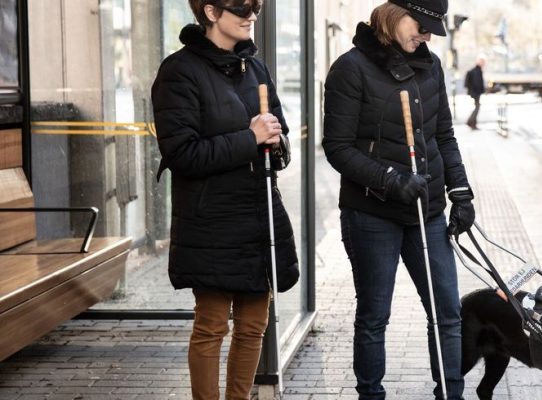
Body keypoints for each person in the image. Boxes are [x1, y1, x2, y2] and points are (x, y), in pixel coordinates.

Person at [321, 0, 475, 399]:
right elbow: (337, 147)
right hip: (372, 213)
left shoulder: (431, 66)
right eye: (421, 26)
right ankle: (370, 395)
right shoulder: (350, 69)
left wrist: (460, 191)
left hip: (429, 211)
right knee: (374, 316)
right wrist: (389, 180)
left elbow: (444, 136)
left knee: (447, 313)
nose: (425, 36)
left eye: (430, 30)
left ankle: (451, 394)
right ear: (394, 15)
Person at [151, 1, 299, 399]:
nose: (252, 14)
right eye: (242, 7)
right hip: (211, 218)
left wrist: (277, 141)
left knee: (254, 324)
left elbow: (278, 135)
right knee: (212, 324)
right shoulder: (179, 71)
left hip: (257, 212)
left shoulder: (256, 68)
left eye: (257, 6)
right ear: (212, 12)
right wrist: (249, 138)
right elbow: (182, 154)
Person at [464, 55, 486, 129]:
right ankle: (470, 122)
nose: (483, 63)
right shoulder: (477, 70)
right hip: (476, 93)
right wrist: (479, 91)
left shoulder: (476, 70)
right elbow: (477, 83)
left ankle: (473, 123)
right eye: (482, 62)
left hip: (475, 92)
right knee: (477, 107)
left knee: (477, 107)